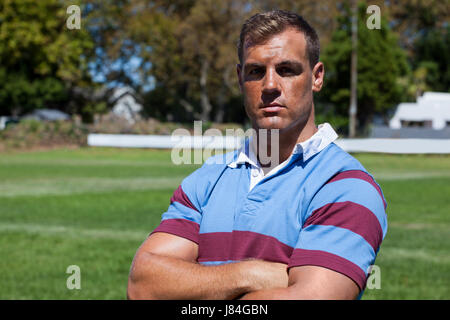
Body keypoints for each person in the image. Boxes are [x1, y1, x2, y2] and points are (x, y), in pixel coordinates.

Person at [127, 10, 387, 300]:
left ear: (317, 77)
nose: (271, 85)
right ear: (240, 78)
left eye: (287, 70)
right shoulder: (208, 178)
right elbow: (143, 285)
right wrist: (252, 274)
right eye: (256, 71)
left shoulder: (347, 188)